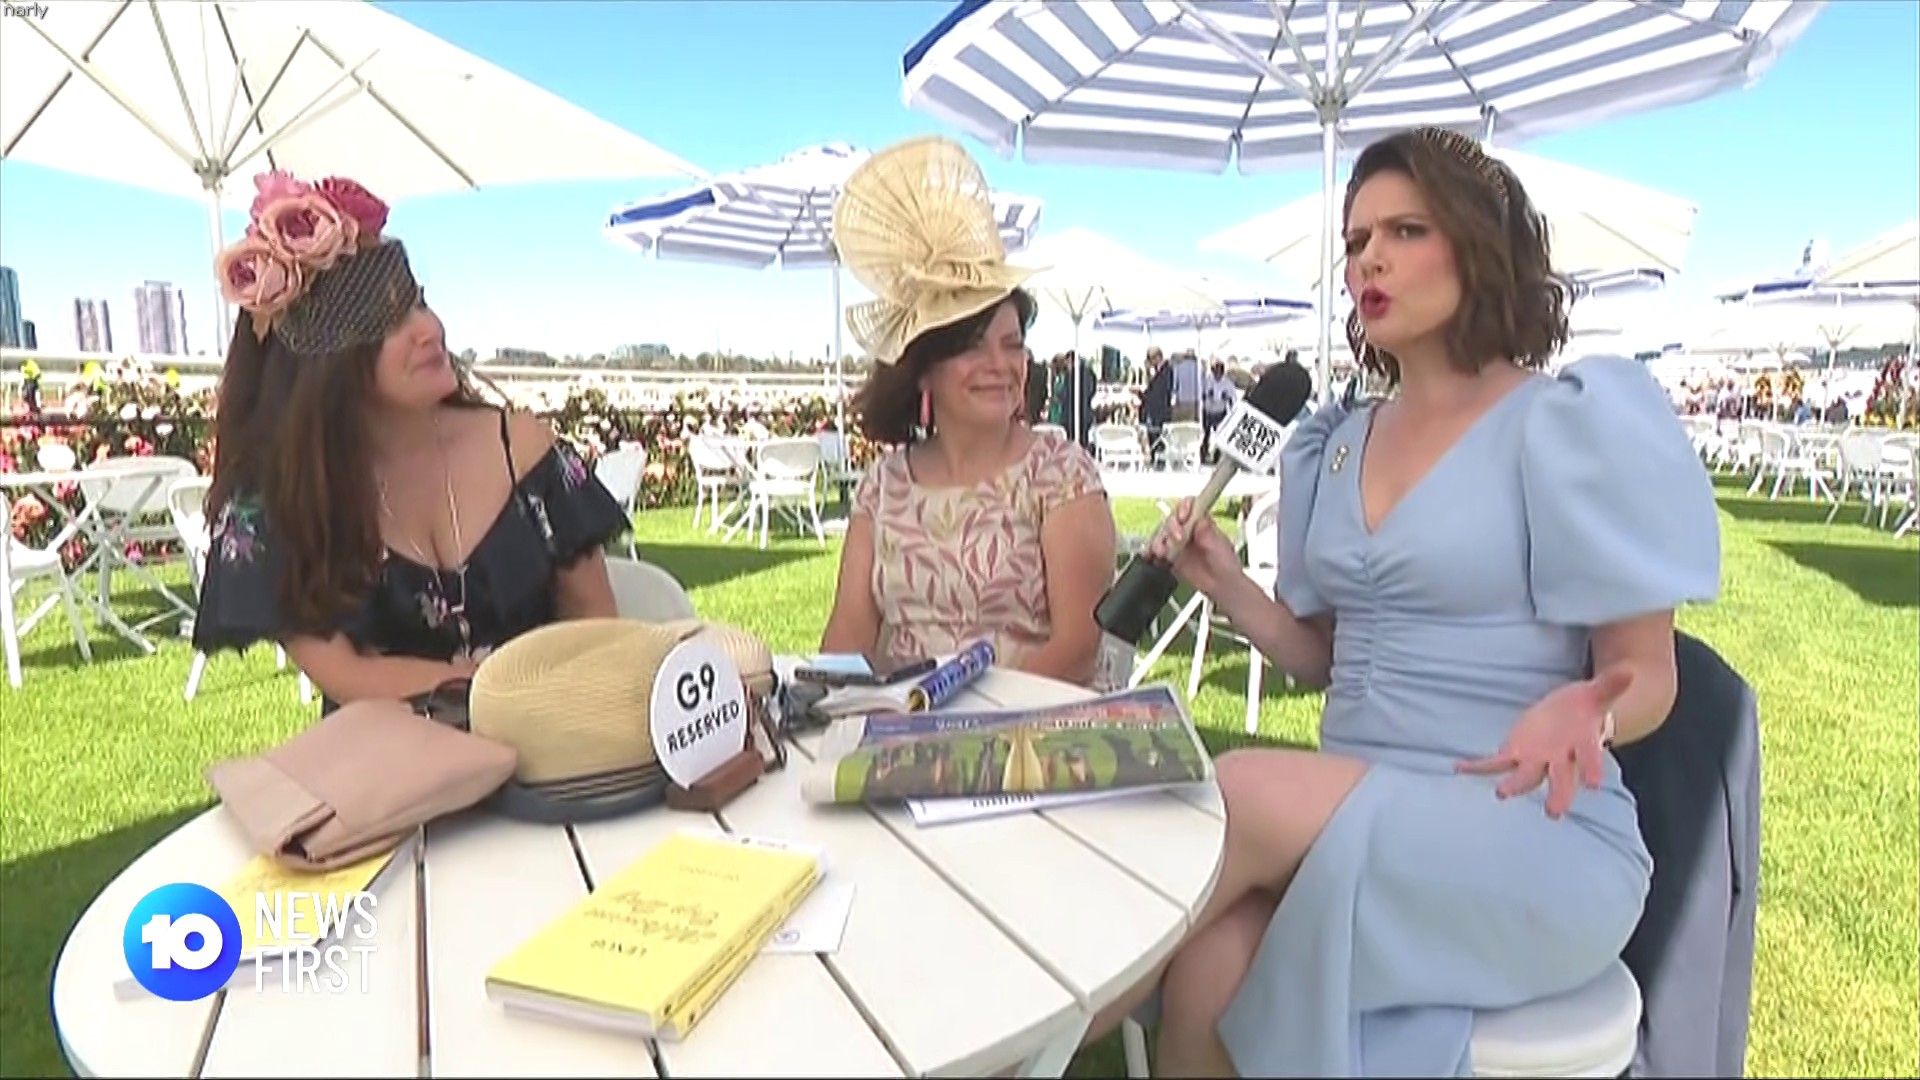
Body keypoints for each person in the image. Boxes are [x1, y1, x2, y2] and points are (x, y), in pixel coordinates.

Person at [1087, 126, 1721, 1075]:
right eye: (1355, 241)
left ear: (1478, 244)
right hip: (1362, 812)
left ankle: (1024, 1029)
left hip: (1529, 827)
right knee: (1209, 972)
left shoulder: (1568, 421)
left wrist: (1588, 709)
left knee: (1243, 787)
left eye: (1406, 231)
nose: (1368, 260)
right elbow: (1325, 661)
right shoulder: (1336, 442)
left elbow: (1649, 678)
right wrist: (1226, 584)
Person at [193, 171, 627, 709]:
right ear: (324, 366)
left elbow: (596, 622)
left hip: (552, 737)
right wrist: (495, 689)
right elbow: (346, 675)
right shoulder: (280, 501)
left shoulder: (526, 453)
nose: (429, 329)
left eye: (418, 302)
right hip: (391, 757)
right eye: (387, 322)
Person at [818, 136, 1119, 689]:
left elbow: (1078, 648)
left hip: (1037, 720)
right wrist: (825, 701)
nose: (1000, 365)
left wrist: (965, 723)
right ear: (923, 371)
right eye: (973, 347)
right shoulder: (883, 486)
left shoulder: (1059, 474)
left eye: (1013, 344)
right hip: (905, 721)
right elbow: (848, 637)